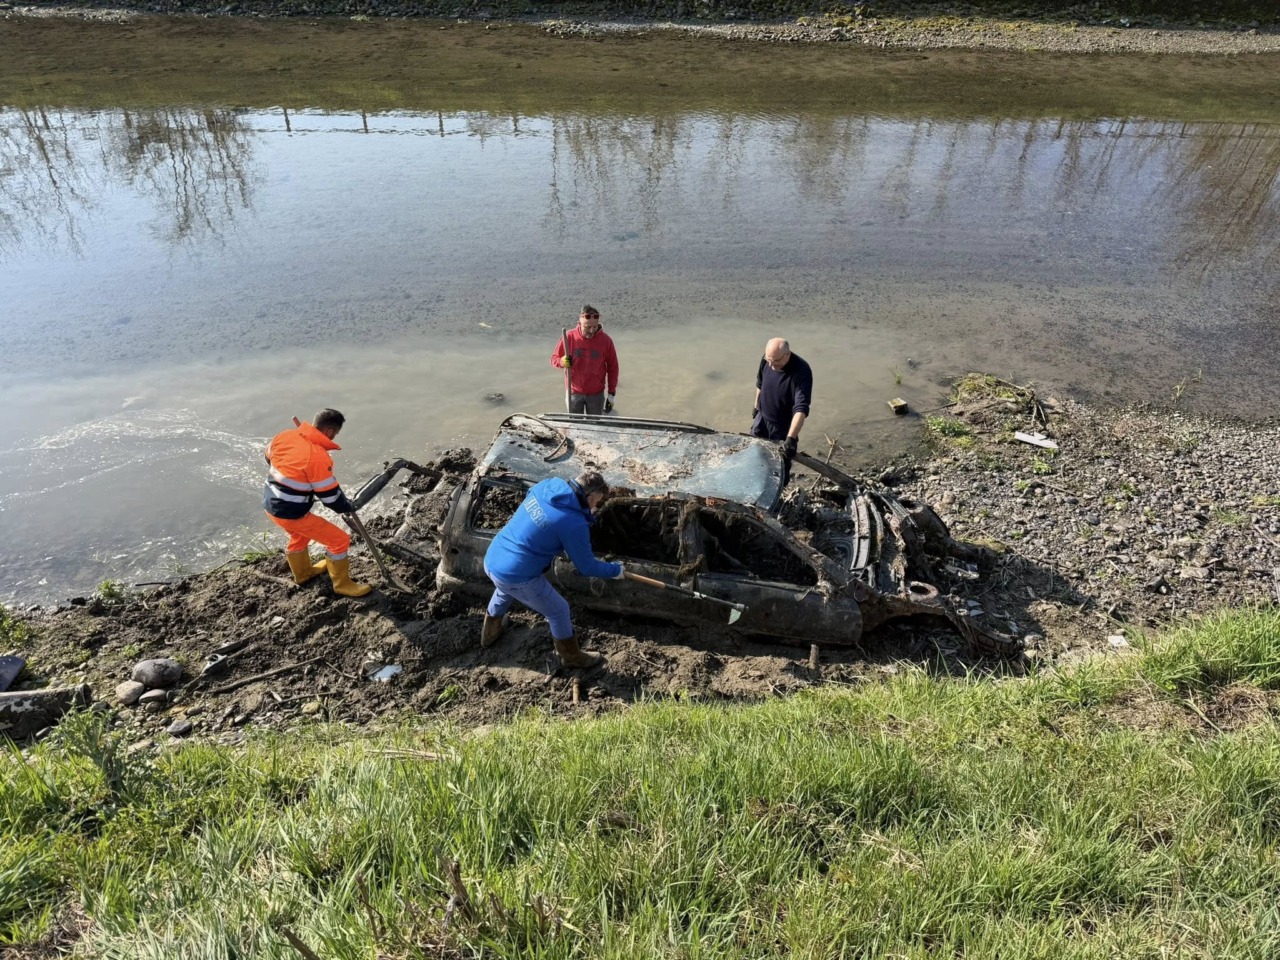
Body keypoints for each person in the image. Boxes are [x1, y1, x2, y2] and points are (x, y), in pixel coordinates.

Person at [481, 470, 624, 668]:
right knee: (558, 610)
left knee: (504, 589)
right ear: (589, 496)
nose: (595, 507)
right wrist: (615, 571)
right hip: (518, 574)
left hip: (494, 557)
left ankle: (489, 633)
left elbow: (542, 523)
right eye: (596, 502)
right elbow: (586, 566)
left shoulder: (547, 485)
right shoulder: (574, 523)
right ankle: (571, 657)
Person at [262, 408, 372, 598]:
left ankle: (304, 574)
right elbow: (329, 497)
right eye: (336, 434)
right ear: (330, 432)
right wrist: (347, 506)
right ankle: (342, 584)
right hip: (291, 513)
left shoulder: (285, 436)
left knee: (299, 536)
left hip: (270, 505)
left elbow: (268, 457)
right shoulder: (317, 456)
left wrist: (296, 476)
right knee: (339, 541)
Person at [751, 337, 812, 463]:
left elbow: (801, 409)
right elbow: (760, 383)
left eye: (776, 361)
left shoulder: (801, 371)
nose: (771, 365)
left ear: (787, 354)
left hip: (781, 427)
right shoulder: (767, 359)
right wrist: (756, 406)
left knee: (777, 464)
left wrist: (791, 438)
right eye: (768, 360)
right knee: (753, 457)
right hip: (761, 419)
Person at [551, 305, 620, 415]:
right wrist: (562, 361)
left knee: (595, 425)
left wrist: (611, 394)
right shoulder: (569, 337)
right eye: (587, 327)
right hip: (573, 392)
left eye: (595, 326)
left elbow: (613, 368)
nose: (592, 331)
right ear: (579, 322)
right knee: (575, 424)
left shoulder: (606, 341)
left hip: (596, 394)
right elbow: (554, 359)